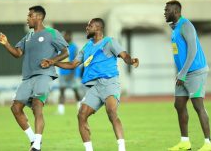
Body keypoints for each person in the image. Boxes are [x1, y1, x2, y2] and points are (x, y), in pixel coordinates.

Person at [41, 18, 139, 151]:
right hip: (95, 87)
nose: (87, 28)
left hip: (110, 83)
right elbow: (72, 64)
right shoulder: (87, 46)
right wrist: (53, 62)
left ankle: (122, 148)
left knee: (111, 111)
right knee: (81, 115)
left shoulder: (109, 42)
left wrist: (131, 60)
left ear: (98, 28)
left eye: (90, 26)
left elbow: (124, 55)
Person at [0, 5, 68, 151]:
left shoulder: (52, 33)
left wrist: (52, 61)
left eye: (30, 16)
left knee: (37, 105)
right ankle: (33, 141)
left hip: (44, 75)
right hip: (27, 77)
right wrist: (6, 44)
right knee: (15, 108)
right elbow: (17, 54)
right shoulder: (27, 37)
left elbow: (65, 51)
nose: (27, 18)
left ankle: (36, 146)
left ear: (39, 17)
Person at [164, 0, 211, 151]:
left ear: (176, 11)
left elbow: (192, 51)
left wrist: (183, 73)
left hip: (195, 72)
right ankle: (185, 142)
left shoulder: (186, 25)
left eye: (167, 10)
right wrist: (180, 73)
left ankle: (208, 143)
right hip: (184, 74)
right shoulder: (175, 28)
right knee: (179, 105)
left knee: (198, 106)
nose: (164, 12)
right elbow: (179, 53)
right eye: (165, 10)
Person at [57, 30, 82, 115]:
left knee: (76, 91)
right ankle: (61, 111)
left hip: (72, 73)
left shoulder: (74, 47)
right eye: (63, 36)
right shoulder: (61, 46)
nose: (64, 37)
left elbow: (76, 60)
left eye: (66, 36)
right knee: (62, 90)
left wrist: (75, 74)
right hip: (62, 72)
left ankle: (80, 108)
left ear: (70, 36)